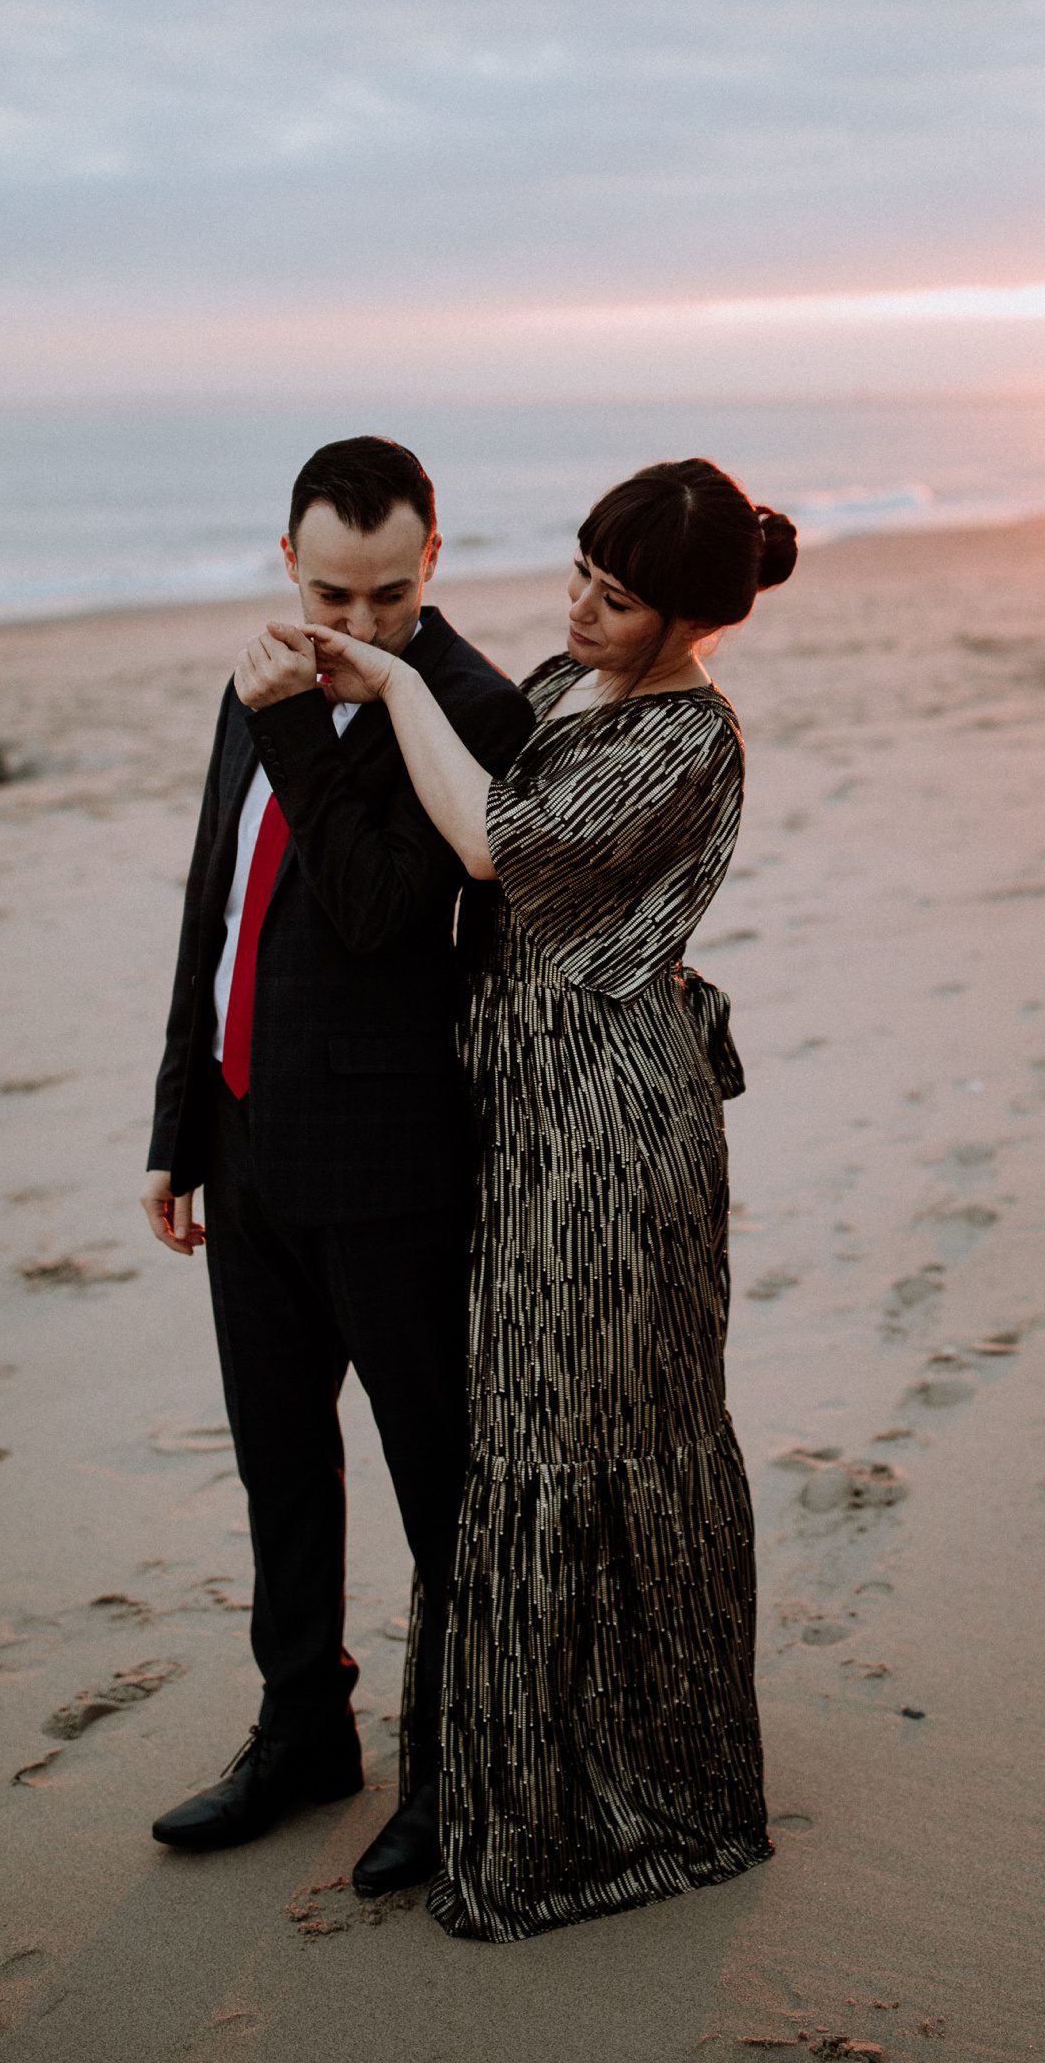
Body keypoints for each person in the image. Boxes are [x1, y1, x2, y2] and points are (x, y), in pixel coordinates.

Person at [307, 455, 797, 1941]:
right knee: (524, 1431)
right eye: (582, 569)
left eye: (619, 594)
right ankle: (507, 1773)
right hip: (521, 1111)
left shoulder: (687, 741)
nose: (581, 603)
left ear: (691, 618)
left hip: (609, 1127)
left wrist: (390, 684)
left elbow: (492, 843)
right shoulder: (568, 677)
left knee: (595, 1434)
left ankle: (637, 1788)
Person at [138, 436, 535, 1899]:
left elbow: (376, 909)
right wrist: (179, 1129)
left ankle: (457, 1762)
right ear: (284, 560)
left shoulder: (479, 704)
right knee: (280, 1468)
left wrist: (319, 711)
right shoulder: (257, 678)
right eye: (328, 593)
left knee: (439, 1482)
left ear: (433, 557)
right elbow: (218, 910)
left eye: (382, 593)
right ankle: (304, 1731)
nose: (354, 625)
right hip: (247, 1151)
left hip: (392, 1161)